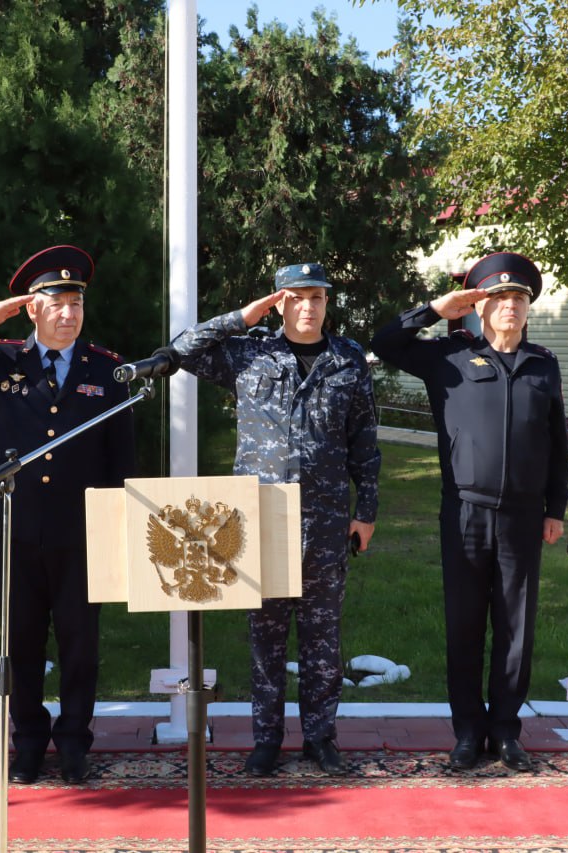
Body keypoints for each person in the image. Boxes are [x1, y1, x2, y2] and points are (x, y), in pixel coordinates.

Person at [0, 244, 135, 785]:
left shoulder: (107, 369)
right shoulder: (3, 359)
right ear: (32, 309)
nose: (68, 313)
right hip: (15, 525)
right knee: (20, 642)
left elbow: (121, 456)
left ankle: (74, 743)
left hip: (80, 528)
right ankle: (30, 742)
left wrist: (118, 525)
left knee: (80, 643)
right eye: (56, 303)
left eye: (76, 303)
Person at [170, 262, 381, 777]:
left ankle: (320, 738)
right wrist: (243, 317)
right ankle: (266, 739)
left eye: (317, 297)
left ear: (327, 303)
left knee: (322, 640)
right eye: (296, 297)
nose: (308, 307)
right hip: (261, 519)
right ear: (279, 302)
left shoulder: (348, 359)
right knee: (265, 637)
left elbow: (365, 440)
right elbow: (182, 350)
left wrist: (366, 511)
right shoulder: (250, 353)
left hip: (326, 520)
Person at [371, 251, 568, 773]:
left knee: (516, 629)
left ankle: (505, 731)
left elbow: (557, 443)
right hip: (465, 512)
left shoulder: (543, 364)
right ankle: (467, 730)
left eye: (519, 298)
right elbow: (385, 343)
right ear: (480, 307)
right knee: (464, 625)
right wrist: (435, 310)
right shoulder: (450, 357)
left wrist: (556, 507)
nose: (510, 307)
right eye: (499, 298)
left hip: (523, 516)